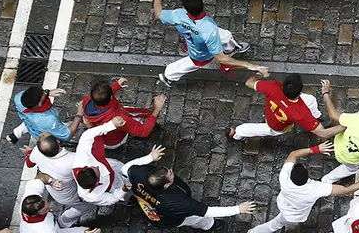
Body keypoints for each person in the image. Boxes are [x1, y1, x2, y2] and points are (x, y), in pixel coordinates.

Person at [148, 0, 267, 87]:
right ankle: (168, 76)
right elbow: (221, 58)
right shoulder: (210, 30)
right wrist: (248, 65)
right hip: (201, 53)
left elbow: (158, 14)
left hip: (196, 38)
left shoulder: (178, 15)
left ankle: (231, 48)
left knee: (226, 36)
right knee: (188, 64)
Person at [249, 142, 359, 233]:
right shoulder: (315, 188)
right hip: (296, 215)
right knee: (276, 223)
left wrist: (314, 149)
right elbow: (347, 190)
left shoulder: (284, 178)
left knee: (275, 224)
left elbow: (293, 155)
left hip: (285, 207)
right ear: (306, 177)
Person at [125, 145, 254, 230]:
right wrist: (238, 209)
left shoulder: (139, 174)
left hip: (150, 209)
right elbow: (208, 211)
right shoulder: (178, 202)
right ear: (166, 185)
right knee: (197, 219)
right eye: (169, 174)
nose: (171, 170)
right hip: (170, 219)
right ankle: (211, 225)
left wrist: (149, 157)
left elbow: (125, 168)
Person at [226, 74, 345, 141]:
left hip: (273, 111)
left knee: (311, 100)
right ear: (299, 92)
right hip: (277, 126)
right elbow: (323, 133)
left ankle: (317, 117)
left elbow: (249, 82)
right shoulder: (301, 113)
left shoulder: (272, 87)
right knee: (262, 130)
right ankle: (237, 133)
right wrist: (345, 126)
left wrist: (259, 74)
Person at [21, 133, 94, 228]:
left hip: (55, 192)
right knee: (85, 207)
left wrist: (30, 153)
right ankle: (64, 222)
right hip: (71, 196)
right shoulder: (73, 160)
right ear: (58, 141)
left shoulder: (37, 151)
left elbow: (29, 164)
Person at [82, 77, 166, 149]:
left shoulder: (88, 99)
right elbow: (143, 132)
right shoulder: (119, 118)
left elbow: (102, 95)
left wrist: (116, 86)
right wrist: (157, 109)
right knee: (143, 123)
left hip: (106, 136)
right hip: (116, 140)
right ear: (111, 97)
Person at [73, 116, 131, 205]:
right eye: (97, 171)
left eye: (92, 167)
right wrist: (124, 190)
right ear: (97, 182)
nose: (96, 166)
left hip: (112, 166)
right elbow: (113, 198)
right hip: (115, 186)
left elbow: (87, 136)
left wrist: (111, 125)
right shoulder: (90, 196)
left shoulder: (81, 161)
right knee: (129, 194)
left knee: (125, 169)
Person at [20, 175, 102, 233]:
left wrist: (51, 181)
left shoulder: (29, 199)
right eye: (46, 210)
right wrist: (82, 231)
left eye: (46, 203)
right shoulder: (46, 229)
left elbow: (39, 178)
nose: (50, 207)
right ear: (34, 215)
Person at [6, 87, 83, 145]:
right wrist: (79, 114)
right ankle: (75, 140)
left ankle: (15, 135)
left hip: (31, 123)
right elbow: (67, 134)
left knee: (30, 122)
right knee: (79, 126)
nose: (45, 93)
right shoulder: (48, 120)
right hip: (43, 132)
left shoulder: (19, 98)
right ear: (39, 104)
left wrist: (48, 92)